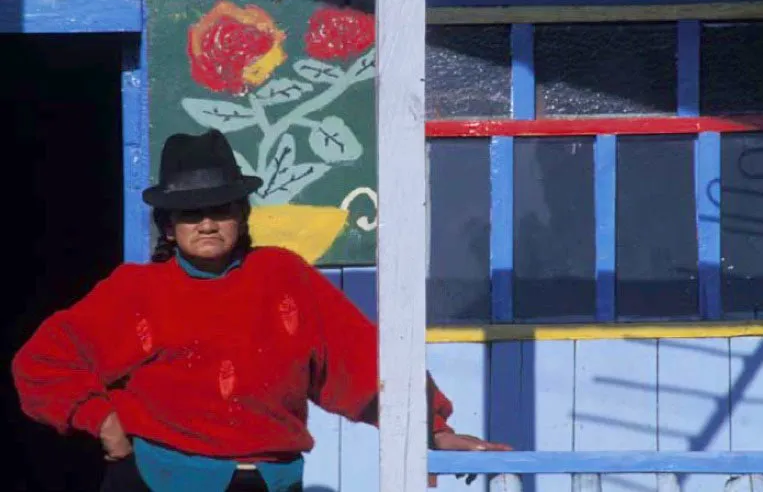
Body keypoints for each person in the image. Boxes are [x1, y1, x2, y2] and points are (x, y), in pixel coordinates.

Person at [12, 129, 510, 492]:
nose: (206, 223)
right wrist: (101, 420)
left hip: (270, 481)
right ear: (168, 227)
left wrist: (434, 429)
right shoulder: (136, 290)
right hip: (158, 478)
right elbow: (42, 364)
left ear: (243, 215)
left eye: (220, 208)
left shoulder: (284, 277)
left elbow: (359, 362)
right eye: (190, 213)